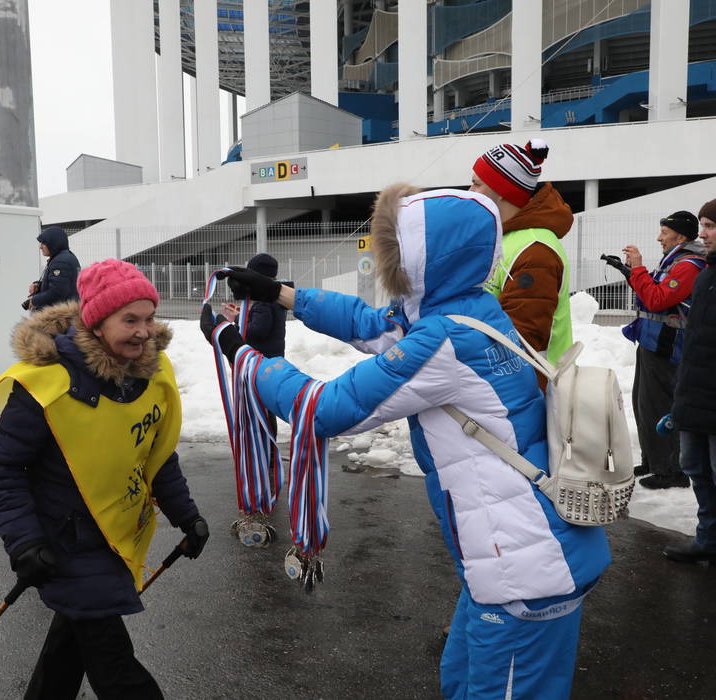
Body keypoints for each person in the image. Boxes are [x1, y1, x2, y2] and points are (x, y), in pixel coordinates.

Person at [202, 184, 610, 699]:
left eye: (393, 248)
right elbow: (369, 324)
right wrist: (280, 294)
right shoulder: (469, 308)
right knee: (460, 681)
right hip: (519, 556)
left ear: (423, 259)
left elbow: (323, 410)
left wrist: (239, 352)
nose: (384, 259)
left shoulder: (445, 342)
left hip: (527, 570)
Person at [0, 259, 209, 698]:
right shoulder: (48, 385)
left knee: (72, 643)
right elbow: (2, 469)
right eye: (129, 320)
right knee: (115, 668)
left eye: (149, 318)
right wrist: (25, 542)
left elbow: (154, 453)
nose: (143, 331)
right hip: (63, 542)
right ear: (97, 324)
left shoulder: (150, 376)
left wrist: (186, 516)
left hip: (113, 537)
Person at [468, 139, 574, 389]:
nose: (470, 192)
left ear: (502, 190)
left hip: (529, 392)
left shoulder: (535, 249)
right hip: (509, 386)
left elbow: (521, 339)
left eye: (476, 183)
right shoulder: (506, 237)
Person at [620, 211, 706, 489]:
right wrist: (631, 273)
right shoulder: (676, 261)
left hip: (667, 347)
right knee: (644, 405)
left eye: (664, 232)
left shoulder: (688, 265)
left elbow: (657, 300)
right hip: (653, 343)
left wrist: (638, 269)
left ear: (680, 235)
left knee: (659, 406)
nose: (659, 238)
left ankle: (670, 470)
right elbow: (653, 294)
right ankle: (653, 460)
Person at [220, 252, 287, 547]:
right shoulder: (272, 298)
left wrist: (234, 323)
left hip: (261, 369)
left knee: (259, 422)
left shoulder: (263, 302)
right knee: (263, 419)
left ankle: (265, 476)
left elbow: (255, 333)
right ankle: (266, 470)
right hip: (268, 366)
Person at [664, 199, 716, 563]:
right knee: (696, 469)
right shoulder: (708, 274)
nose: (704, 233)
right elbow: (695, 340)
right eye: (702, 225)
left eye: (711, 226)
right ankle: (708, 539)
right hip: (695, 391)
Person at [27, 226, 81, 311]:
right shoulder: (63, 258)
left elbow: (57, 293)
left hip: (62, 318)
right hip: (65, 314)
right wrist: (39, 285)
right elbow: (62, 285)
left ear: (53, 243)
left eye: (43, 243)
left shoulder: (61, 262)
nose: (40, 247)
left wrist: (35, 300)